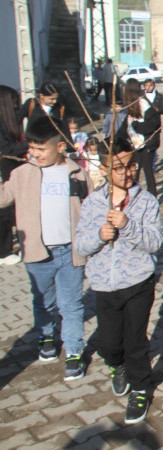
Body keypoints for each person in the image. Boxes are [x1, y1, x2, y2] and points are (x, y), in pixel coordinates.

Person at [74, 136, 162, 425]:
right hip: (104, 285)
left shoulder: (145, 201)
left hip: (138, 283)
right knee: (110, 342)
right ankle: (117, 364)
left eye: (132, 165)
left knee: (136, 340)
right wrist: (99, 236)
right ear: (103, 168)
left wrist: (129, 226)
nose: (128, 172)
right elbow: (80, 245)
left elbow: (154, 242)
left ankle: (140, 388)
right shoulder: (91, 204)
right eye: (119, 167)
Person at [0, 116, 93, 380]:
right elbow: (3, 198)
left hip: (70, 251)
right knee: (43, 301)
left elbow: (88, 207)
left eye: (41, 149)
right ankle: (46, 336)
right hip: (37, 253)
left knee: (72, 304)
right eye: (32, 148)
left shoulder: (77, 173)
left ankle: (74, 350)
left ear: (61, 146)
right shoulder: (22, 174)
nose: (34, 154)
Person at [0, 85, 27, 265]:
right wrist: (29, 145)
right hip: (4, 172)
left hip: (10, 170)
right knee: (5, 211)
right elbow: (6, 149)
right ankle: (4, 250)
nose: (17, 107)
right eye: (15, 103)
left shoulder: (8, 122)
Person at [122, 79, 160, 195]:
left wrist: (135, 124)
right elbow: (126, 126)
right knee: (135, 170)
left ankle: (153, 197)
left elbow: (153, 125)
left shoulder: (144, 104)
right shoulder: (131, 105)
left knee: (148, 171)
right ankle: (134, 194)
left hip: (147, 142)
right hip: (136, 143)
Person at [142, 79, 163, 171]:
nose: (148, 87)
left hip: (155, 124)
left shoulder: (158, 96)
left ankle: (153, 164)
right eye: (146, 85)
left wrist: (157, 110)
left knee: (154, 145)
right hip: (145, 124)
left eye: (150, 85)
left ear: (154, 86)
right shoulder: (142, 96)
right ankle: (147, 164)